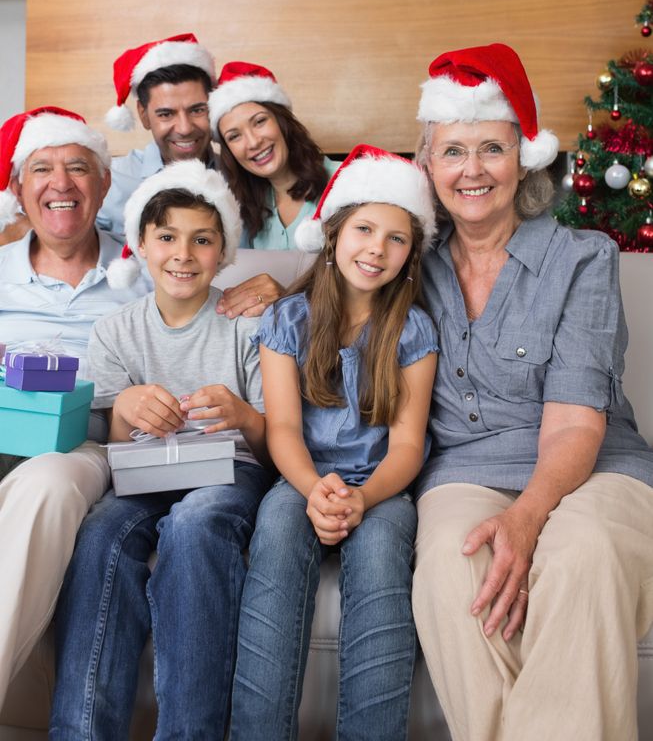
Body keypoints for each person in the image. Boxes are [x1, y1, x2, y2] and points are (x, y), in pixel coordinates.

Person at [411, 42, 653, 741]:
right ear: (428, 167)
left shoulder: (582, 257)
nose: (472, 170)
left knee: (581, 558)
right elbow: (332, 291)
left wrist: (527, 519)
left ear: (523, 160)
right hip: (464, 470)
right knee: (449, 572)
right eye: (452, 151)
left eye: (491, 147)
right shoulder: (405, 261)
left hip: (593, 464)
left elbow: (577, 425)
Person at [49, 159, 275, 740]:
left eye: (202, 240)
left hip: (229, 472)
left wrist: (244, 415)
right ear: (141, 247)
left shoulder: (248, 324)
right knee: (100, 534)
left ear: (223, 251)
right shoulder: (115, 331)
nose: (183, 253)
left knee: (196, 523)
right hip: (144, 472)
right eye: (167, 238)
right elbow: (109, 442)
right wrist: (125, 410)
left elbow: (280, 443)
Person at [230, 144, 438, 741]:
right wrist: (314, 489)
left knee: (379, 556)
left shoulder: (413, 331)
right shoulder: (288, 320)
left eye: (397, 239)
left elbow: (406, 448)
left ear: (411, 255)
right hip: (301, 476)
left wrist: (362, 499)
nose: (377, 248)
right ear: (333, 235)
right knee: (275, 530)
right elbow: (284, 430)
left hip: (380, 486)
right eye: (365, 229)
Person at [0, 106, 149, 709]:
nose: (61, 184)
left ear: (105, 183)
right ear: (17, 188)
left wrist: (272, 287)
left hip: (87, 442)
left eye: (78, 168)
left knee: (49, 484)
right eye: (42, 169)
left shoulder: (146, 266)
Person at [208, 60, 339, 318]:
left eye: (259, 122)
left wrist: (287, 299)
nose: (254, 142)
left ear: (282, 121)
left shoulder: (348, 180)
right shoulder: (240, 210)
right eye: (235, 136)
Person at [97, 32, 218, 238]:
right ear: (144, 115)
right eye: (166, 114)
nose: (184, 128)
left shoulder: (241, 178)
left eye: (197, 110)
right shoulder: (110, 182)